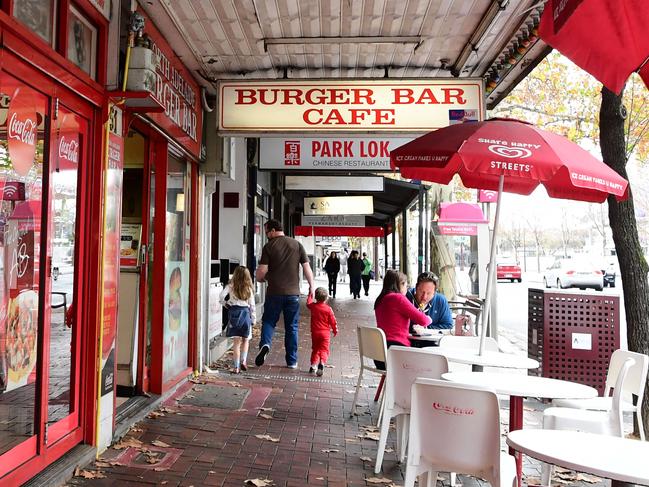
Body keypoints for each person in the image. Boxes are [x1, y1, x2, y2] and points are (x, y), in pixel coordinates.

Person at [255, 219, 315, 368]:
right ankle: (292, 361)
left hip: (274, 292)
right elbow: (307, 268)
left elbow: (261, 271)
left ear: (273, 230)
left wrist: (260, 279)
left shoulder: (269, 246)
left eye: (267, 232)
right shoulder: (297, 244)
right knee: (292, 327)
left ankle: (266, 344)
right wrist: (312, 286)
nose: (267, 235)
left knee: (269, 321)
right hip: (293, 294)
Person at [373, 270, 431, 369]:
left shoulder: (380, 299)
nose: (406, 289)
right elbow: (423, 320)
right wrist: (429, 318)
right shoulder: (398, 298)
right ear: (400, 285)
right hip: (396, 353)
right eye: (405, 286)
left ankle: (393, 384)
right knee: (427, 363)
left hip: (380, 355)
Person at [219, 266, 256, 373]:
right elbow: (252, 306)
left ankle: (236, 367)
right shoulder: (248, 288)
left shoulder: (231, 286)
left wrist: (226, 305)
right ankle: (243, 361)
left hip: (234, 314)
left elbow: (221, 296)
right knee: (245, 340)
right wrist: (253, 319)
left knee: (236, 342)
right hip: (245, 315)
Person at [306, 287, 338, 376]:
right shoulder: (328, 309)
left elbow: (308, 303)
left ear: (316, 297)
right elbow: (333, 321)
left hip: (315, 333)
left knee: (315, 349)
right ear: (326, 298)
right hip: (325, 334)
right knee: (324, 350)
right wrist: (335, 330)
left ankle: (313, 366)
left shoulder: (313, 306)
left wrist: (310, 294)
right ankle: (322, 364)